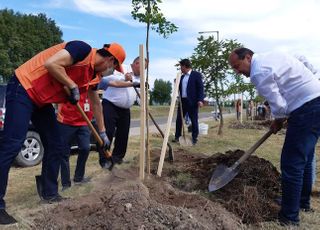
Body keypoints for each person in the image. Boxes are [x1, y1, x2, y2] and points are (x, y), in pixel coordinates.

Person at [0, 40, 126, 225]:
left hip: (41, 101)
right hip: (24, 87)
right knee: (12, 144)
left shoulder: (94, 76)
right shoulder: (81, 50)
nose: (112, 72)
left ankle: (50, 193)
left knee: (56, 145)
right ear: (110, 60)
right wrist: (72, 86)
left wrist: (103, 133)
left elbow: (95, 103)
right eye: (115, 67)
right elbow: (51, 64)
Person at [228, 47, 320, 226]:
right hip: (316, 101)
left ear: (248, 57)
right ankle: (302, 203)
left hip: (306, 108)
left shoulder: (258, 71)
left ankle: (289, 218)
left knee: (292, 163)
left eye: (238, 66)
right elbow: (301, 57)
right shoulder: (274, 55)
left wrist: (278, 119)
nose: (237, 72)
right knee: (306, 158)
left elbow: (277, 102)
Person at [98, 56, 143, 169]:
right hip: (110, 105)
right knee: (108, 132)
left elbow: (139, 96)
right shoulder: (120, 68)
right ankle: (105, 160)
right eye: (143, 67)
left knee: (123, 135)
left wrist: (143, 102)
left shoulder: (141, 78)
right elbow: (107, 81)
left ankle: (118, 158)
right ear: (137, 63)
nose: (144, 70)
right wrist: (125, 78)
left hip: (125, 109)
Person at [57, 90, 94, 191]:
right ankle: (66, 183)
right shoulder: (68, 80)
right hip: (66, 121)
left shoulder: (90, 82)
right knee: (64, 153)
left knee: (86, 148)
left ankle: (78, 177)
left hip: (83, 121)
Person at [173, 59, 204, 145]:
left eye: (181, 67)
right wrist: (176, 82)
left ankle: (194, 138)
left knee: (194, 120)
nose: (180, 69)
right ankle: (177, 137)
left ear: (185, 66)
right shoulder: (181, 77)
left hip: (193, 102)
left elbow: (200, 88)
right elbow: (179, 88)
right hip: (182, 101)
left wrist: (200, 100)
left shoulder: (196, 75)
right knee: (179, 119)